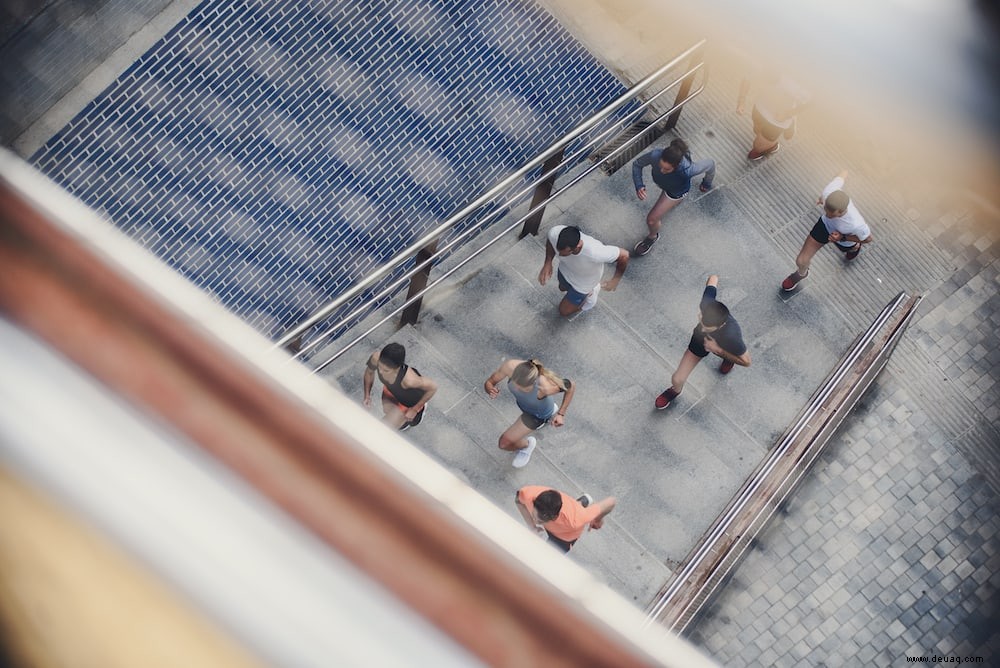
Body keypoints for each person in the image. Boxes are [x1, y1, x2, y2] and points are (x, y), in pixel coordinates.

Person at [655, 275, 751, 409]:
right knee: (677, 378)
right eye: (701, 322)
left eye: (707, 328)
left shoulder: (732, 336)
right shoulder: (706, 303)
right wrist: (715, 277)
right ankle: (675, 390)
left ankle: (729, 359)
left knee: (732, 353)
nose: (703, 328)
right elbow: (713, 278)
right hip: (699, 341)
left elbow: (747, 362)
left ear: (721, 326)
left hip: (723, 345)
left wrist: (718, 350)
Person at [781, 170, 874, 291]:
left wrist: (843, 237)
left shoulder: (856, 223)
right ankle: (801, 274)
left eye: (831, 213)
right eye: (826, 209)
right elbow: (843, 174)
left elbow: (868, 239)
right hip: (824, 227)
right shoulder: (829, 192)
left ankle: (855, 247)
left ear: (841, 211)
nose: (827, 213)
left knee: (850, 247)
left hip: (844, 237)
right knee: (801, 260)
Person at [630, 138, 716, 257]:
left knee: (651, 219)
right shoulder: (655, 155)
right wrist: (639, 185)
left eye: (667, 169)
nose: (662, 170)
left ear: (676, 167)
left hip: (676, 192)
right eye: (661, 166)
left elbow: (710, 164)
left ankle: (652, 237)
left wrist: (707, 182)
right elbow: (637, 164)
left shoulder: (688, 170)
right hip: (665, 185)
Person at [484, 358, 575, 468]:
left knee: (504, 444)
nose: (517, 389)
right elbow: (490, 382)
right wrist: (490, 389)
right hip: (525, 406)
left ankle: (527, 445)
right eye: (515, 384)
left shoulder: (545, 388)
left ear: (534, 383)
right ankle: (550, 408)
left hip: (536, 415)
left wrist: (561, 414)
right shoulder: (510, 366)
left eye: (524, 389)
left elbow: (571, 386)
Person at [538, 224, 629, 317]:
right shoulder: (555, 233)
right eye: (558, 250)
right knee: (562, 288)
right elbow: (550, 240)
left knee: (564, 311)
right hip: (565, 271)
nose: (559, 255)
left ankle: (592, 294)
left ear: (578, 246)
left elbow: (624, 255)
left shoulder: (595, 252)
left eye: (564, 253)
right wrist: (548, 263)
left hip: (584, 284)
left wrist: (615, 280)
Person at [515, 486, 616, 553]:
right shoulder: (527, 494)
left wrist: (598, 519)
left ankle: (580, 504)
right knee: (574, 509)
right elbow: (518, 501)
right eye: (533, 515)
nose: (536, 521)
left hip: (564, 536)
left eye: (541, 521)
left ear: (555, 517)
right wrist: (532, 527)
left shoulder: (575, 520)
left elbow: (611, 502)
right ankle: (580, 503)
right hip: (571, 511)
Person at [363, 342, 437, 430]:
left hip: (408, 402)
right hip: (391, 392)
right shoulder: (376, 358)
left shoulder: (410, 380)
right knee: (387, 412)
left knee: (381, 428)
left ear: (397, 368)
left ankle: (409, 420)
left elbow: (433, 387)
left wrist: (415, 409)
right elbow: (369, 373)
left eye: (386, 370)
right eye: (379, 367)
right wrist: (367, 395)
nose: (381, 372)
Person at [737, 72, 809, 160]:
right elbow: (748, 76)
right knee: (756, 130)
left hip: (780, 118)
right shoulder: (775, 64)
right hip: (762, 105)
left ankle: (791, 121)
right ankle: (791, 120)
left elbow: (811, 103)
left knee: (758, 147)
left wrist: (787, 114)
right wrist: (741, 100)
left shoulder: (809, 79)